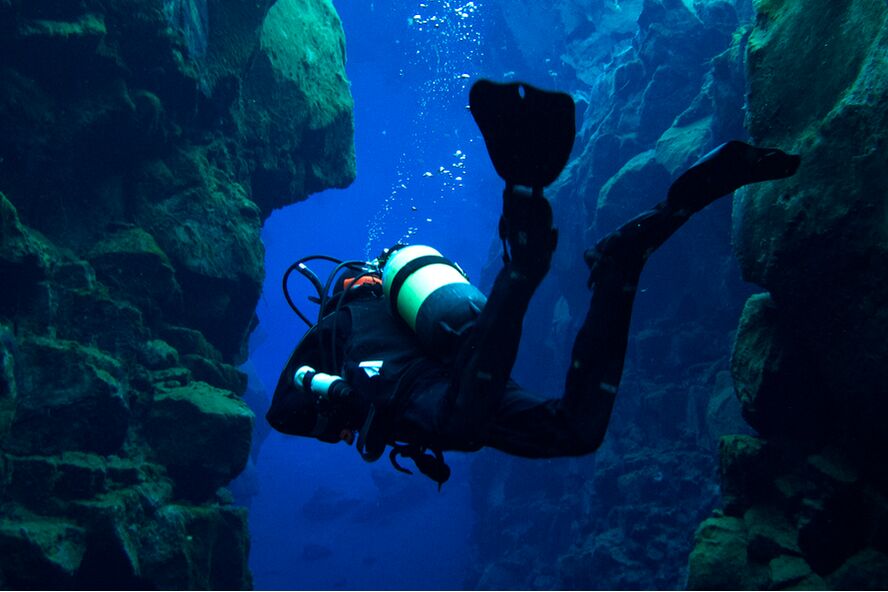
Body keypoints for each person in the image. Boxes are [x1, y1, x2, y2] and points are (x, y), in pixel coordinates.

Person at [266, 137, 801, 488]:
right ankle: (619, 267)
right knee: (574, 429)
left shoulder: (337, 322)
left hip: (434, 391)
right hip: (464, 361)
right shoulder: (395, 304)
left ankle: (524, 264)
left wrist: (331, 396)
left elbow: (283, 408)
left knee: (464, 418)